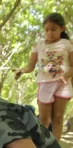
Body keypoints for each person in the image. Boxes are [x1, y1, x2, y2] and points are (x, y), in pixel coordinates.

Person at [15, 13, 73, 141]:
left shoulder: (68, 44)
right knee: (44, 119)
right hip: (45, 83)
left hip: (62, 84)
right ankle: (42, 146)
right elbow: (31, 66)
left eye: (54, 29)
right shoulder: (38, 45)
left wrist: (66, 76)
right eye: (46, 29)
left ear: (62, 28)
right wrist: (22, 70)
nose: (50, 33)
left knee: (58, 117)